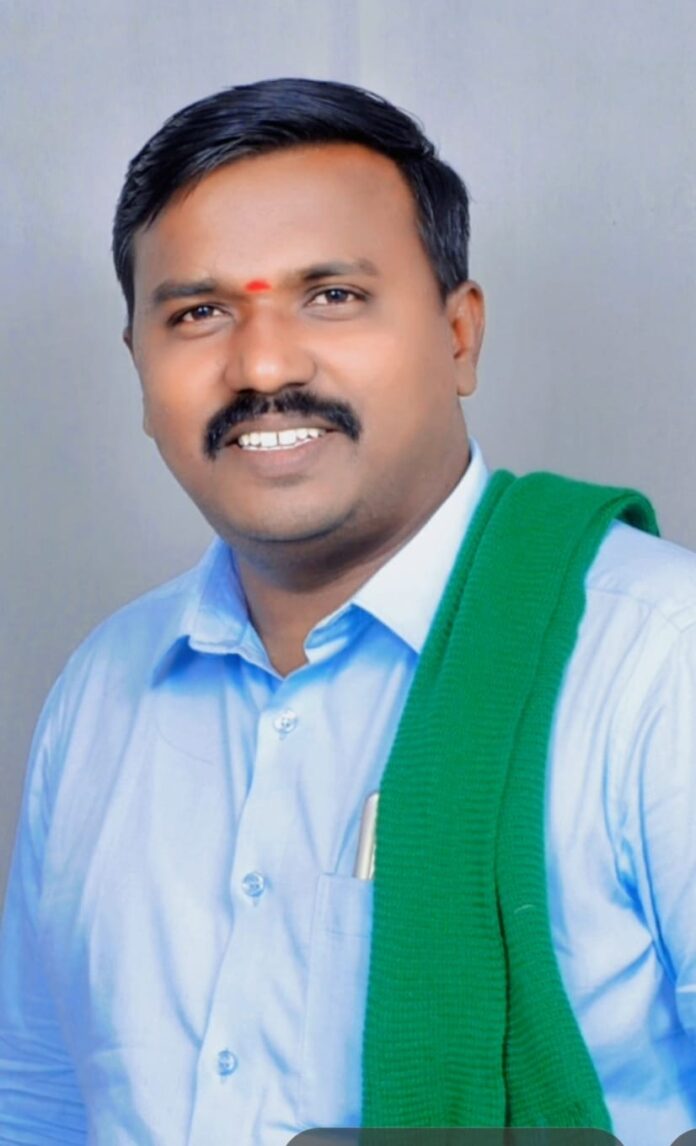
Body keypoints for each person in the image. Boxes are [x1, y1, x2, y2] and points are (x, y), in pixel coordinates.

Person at [1, 77, 695, 1146]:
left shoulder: (660, 659)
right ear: (139, 366)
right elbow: (39, 1108)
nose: (263, 365)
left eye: (331, 295)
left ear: (459, 336)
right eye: (199, 313)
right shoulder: (103, 692)